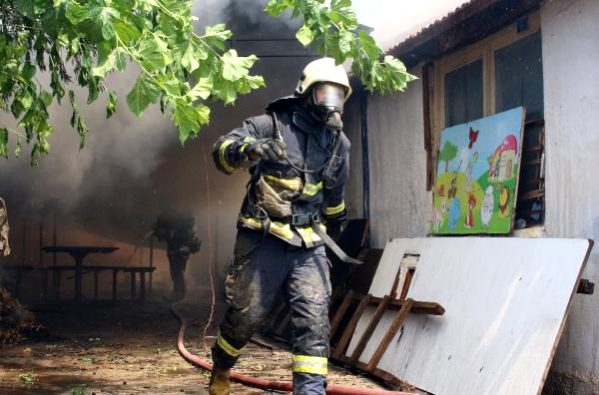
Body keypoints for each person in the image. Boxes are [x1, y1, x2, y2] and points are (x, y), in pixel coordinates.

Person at [209, 58, 355, 395]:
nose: (331, 103)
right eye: (324, 94)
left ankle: (311, 391)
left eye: (338, 96)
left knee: (314, 320)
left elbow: (335, 197)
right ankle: (221, 367)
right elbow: (221, 152)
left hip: (309, 244)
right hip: (263, 236)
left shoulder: (338, 144)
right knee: (247, 316)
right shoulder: (269, 124)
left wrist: (337, 223)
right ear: (306, 92)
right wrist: (251, 149)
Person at [153, 211, 201, 301]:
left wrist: (183, 249)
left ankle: (179, 294)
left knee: (178, 272)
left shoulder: (181, 229)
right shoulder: (173, 229)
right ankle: (178, 293)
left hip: (179, 252)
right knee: (176, 272)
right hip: (176, 252)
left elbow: (191, 240)